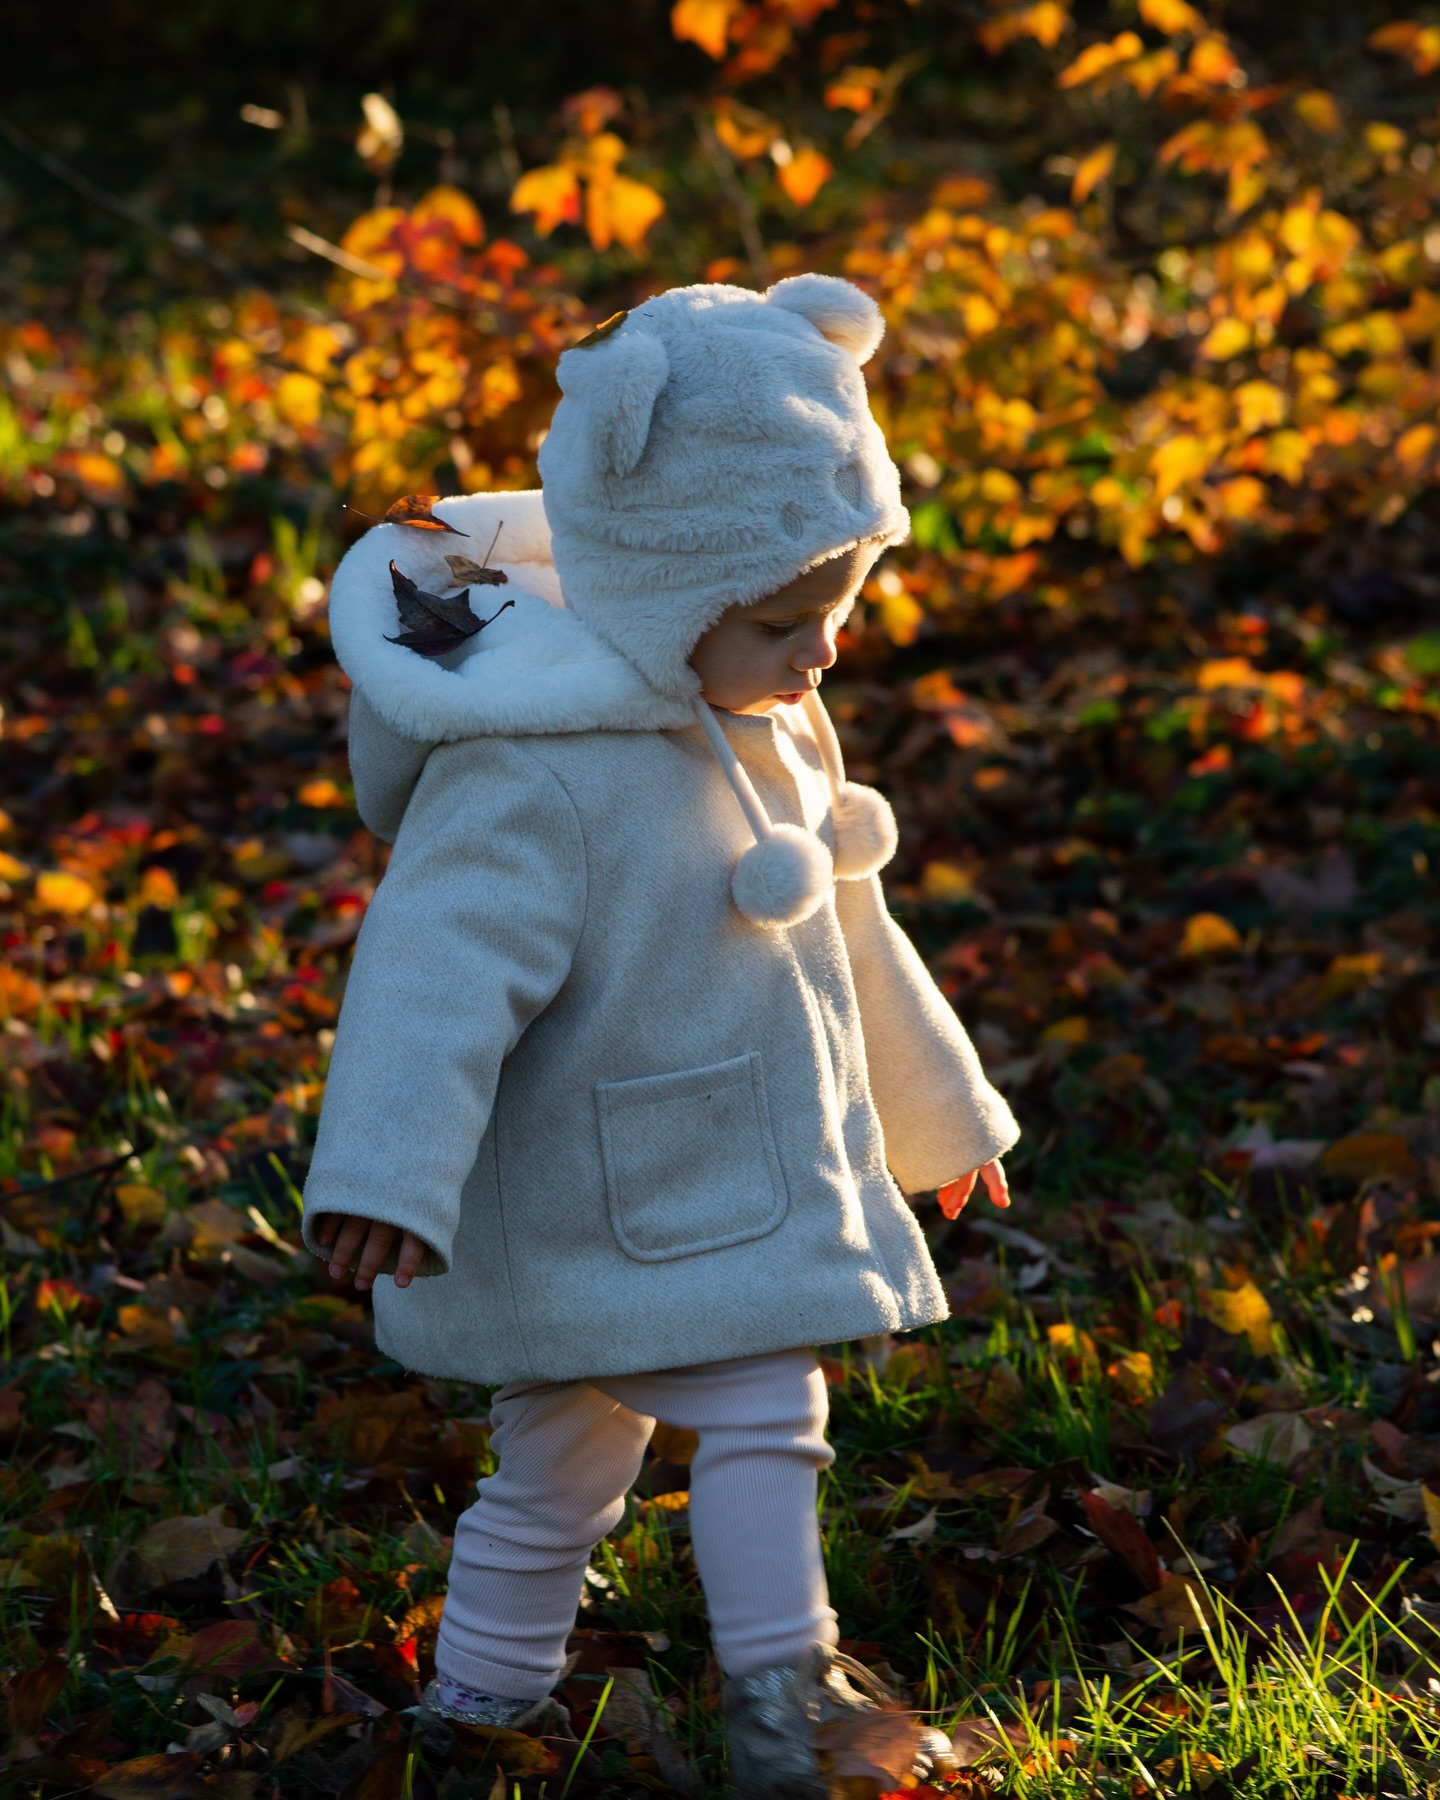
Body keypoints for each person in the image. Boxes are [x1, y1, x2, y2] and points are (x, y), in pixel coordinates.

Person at [301, 274, 1020, 1798]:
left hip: (709, 1178)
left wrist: (935, 1120)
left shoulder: (768, 714)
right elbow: (429, 982)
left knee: (568, 1457)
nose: (820, 651)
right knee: (749, 1409)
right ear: (658, 588)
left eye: (838, 608)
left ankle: (476, 1707)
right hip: (595, 1184)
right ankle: (782, 1701)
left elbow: (849, 932)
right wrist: (384, 1178)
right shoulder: (535, 772)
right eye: (778, 618)